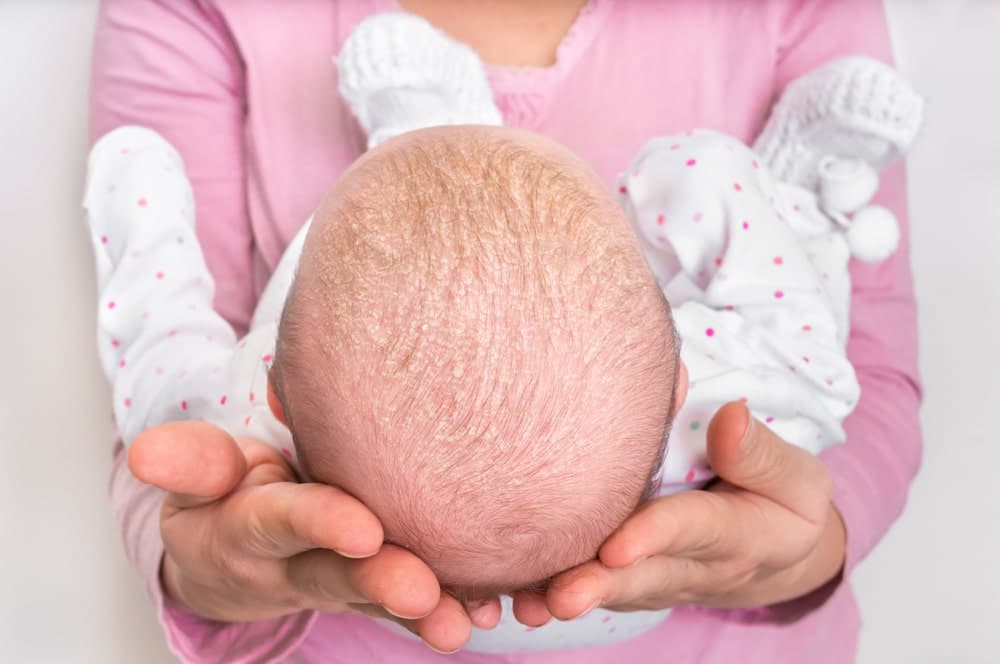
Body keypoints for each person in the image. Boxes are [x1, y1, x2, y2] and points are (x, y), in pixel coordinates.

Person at [90, 1, 923, 661]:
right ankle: (808, 192)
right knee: (798, 280)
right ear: (678, 383)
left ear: (278, 393)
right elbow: (832, 368)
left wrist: (146, 238)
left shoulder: (250, 421)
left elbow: (164, 368)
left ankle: (420, 137)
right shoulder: (714, 423)